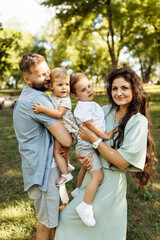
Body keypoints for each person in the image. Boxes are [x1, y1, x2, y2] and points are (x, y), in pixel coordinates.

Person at [54, 65, 157, 240]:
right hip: (91, 175)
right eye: (114, 88)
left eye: (124, 88)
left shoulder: (138, 121)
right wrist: (83, 159)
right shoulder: (104, 111)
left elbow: (123, 162)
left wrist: (95, 140)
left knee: (104, 232)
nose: (119, 93)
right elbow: (83, 135)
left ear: (134, 90)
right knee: (67, 220)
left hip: (111, 184)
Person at [13, 53, 73, 240]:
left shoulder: (27, 94)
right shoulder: (37, 101)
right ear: (27, 79)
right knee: (47, 222)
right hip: (45, 171)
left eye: (48, 71)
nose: (48, 77)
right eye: (41, 75)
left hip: (43, 167)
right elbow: (66, 140)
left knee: (60, 210)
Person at [69, 73, 114, 227]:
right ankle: (85, 206)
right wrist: (106, 135)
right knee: (98, 176)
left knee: (85, 168)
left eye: (89, 86)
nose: (88, 90)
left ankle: (77, 190)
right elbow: (91, 126)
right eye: (83, 90)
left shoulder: (89, 104)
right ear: (74, 95)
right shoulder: (82, 108)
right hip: (87, 146)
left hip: (87, 145)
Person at [32, 67, 79, 186]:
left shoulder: (65, 100)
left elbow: (58, 114)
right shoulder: (55, 95)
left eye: (67, 84)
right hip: (63, 128)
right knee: (63, 152)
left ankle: (65, 174)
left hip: (67, 129)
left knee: (57, 152)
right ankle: (67, 165)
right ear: (51, 87)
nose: (64, 88)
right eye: (60, 85)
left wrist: (43, 109)